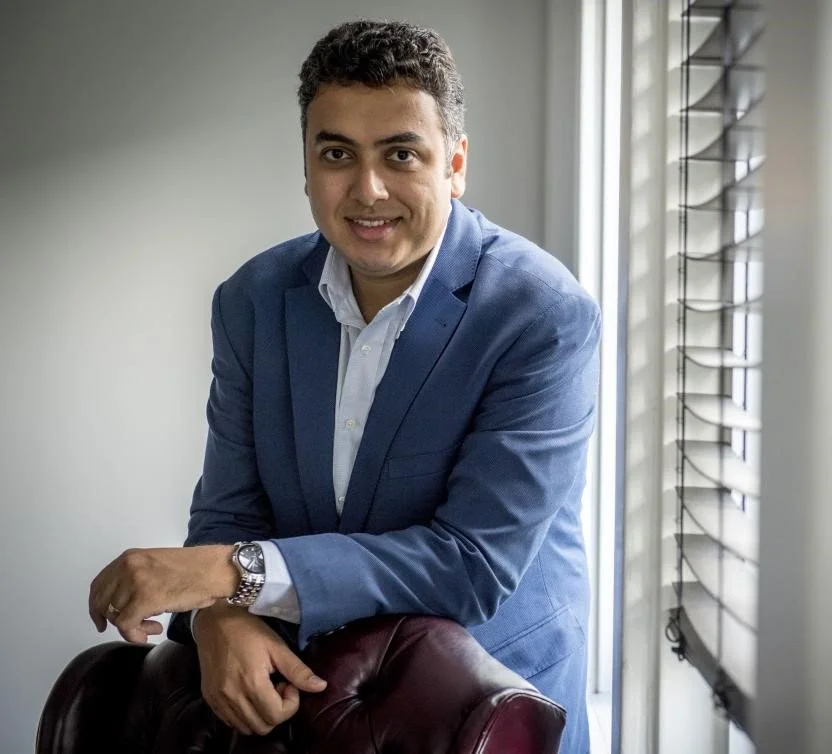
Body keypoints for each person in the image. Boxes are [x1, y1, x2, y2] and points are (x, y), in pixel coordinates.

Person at [88, 19, 600, 754]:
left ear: (455, 164)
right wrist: (219, 617)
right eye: (337, 154)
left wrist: (229, 575)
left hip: (487, 709)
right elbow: (230, 508)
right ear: (306, 166)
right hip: (306, 702)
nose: (368, 190)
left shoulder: (542, 315)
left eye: (401, 154)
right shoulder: (252, 300)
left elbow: (470, 565)